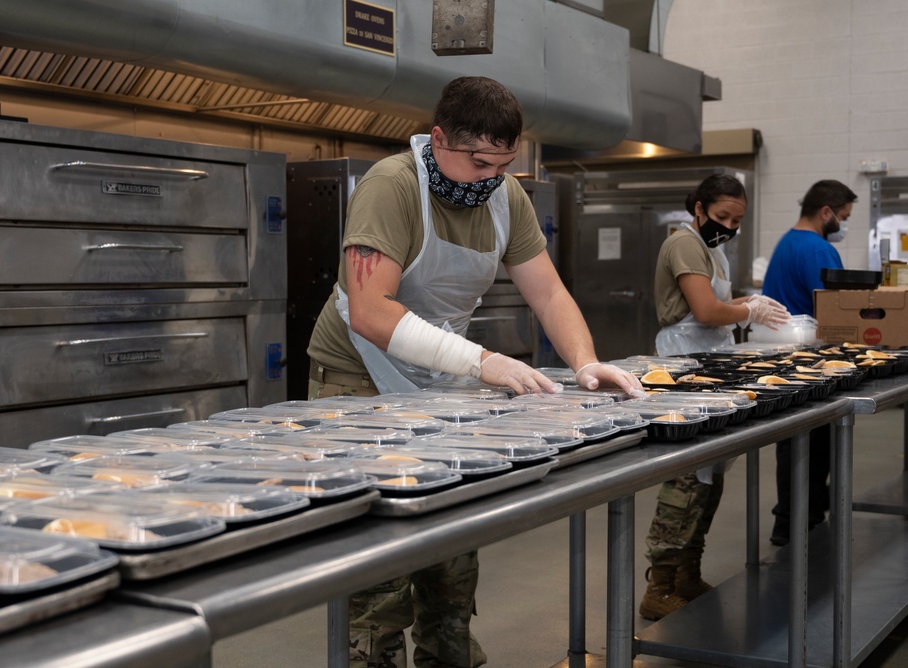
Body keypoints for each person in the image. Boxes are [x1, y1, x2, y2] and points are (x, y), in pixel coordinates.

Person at [306, 76, 643, 668]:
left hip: (440, 379)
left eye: (503, 164)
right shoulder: (392, 187)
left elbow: (548, 293)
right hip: (359, 377)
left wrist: (586, 363)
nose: (491, 177)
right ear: (439, 139)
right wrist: (481, 361)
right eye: (480, 162)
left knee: (452, 549)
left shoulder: (504, 195)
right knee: (379, 564)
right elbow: (370, 311)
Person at [640, 174, 791, 621]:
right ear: (700, 208)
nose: (728, 226)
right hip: (684, 366)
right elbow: (704, 311)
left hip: (709, 362)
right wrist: (746, 311)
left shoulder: (712, 249)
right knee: (688, 475)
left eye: (737, 220)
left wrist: (747, 302)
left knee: (711, 474)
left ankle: (687, 572)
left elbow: (712, 305)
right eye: (722, 216)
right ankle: (660, 583)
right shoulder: (685, 244)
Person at [762, 179, 858, 546]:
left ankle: (793, 519)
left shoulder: (787, 242)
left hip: (783, 359)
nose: (843, 224)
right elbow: (837, 311)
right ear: (826, 212)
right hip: (814, 361)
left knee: (795, 442)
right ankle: (800, 523)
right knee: (815, 444)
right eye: (844, 217)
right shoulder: (818, 250)